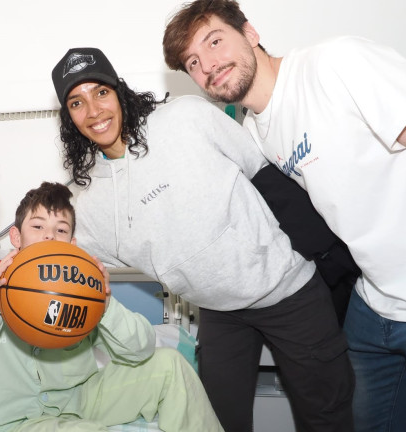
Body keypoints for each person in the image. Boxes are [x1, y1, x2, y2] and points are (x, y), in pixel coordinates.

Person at [162, 1, 406, 430]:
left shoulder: (334, 65)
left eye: (215, 41)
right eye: (193, 62)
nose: (208, 66)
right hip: (373, 306)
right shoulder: (255, 132)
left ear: (250, 32)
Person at [51, 47, 353, 432]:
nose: (93, 111)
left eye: (101, 93)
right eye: (77, 102)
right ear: (68, 117)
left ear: (119, 91)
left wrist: (329, 260)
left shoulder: (185, 117)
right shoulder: (91, 202)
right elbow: (60, 259)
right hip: (219, 312)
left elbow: (264, 174)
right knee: (215, 423)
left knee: (327, 417)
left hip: (287, 291)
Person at [0, 181, 223, 432]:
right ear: (16, 237)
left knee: (170, 366)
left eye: (60, 230)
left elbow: (139, 351)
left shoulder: (82, 292)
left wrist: (105, 305)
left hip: (86, 398)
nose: (49, 237)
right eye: (38, 227)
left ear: (71, 244)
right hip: (17, 421)